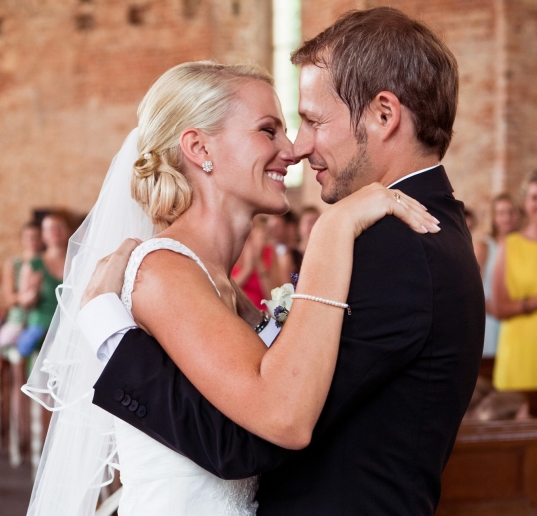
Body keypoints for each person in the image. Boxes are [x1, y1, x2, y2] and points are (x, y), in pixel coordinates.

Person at [79, 8, 483, 516]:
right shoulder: (418, 233)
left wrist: (110, 337)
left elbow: (249, 436)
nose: (297, 148)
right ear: (198, 148)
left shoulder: (394, 249)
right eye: (272, 129)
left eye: (312, 121)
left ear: (384, 115)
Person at [492, 172, 537, 412]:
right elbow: (499, 308)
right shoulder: (509, 245)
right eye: (534, 197)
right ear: (526, 203)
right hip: (519, 356)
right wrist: (532, 303)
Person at [15, 213, 68, 360]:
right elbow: (23, 302)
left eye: (59, 227)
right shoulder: (34, 264)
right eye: (50, 229)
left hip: (68, 324)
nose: (55, 231)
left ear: (67, 231)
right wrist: (33, 291)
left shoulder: (78, 261)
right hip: (42, 325)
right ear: (43, 235)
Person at [480, 194, 521, 362]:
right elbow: (469, 290)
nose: (507, 218)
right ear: (493, 217)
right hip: (491, 322)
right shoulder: (484, 246)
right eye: (501, 213)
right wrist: (499, 309)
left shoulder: (524, 246)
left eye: (511, 212)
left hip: (518, 320)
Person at [0, 221, 42, 348]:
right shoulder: (13, 263)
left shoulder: (46, 263)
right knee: (7, 339)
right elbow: (9, 298)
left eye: (36, 237)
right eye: (28, 237)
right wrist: (26, 297)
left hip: (40, 315)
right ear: (22, 239)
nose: (32, 241)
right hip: (19, 315)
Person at [231, 216, 282, 309]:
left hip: (263, 314)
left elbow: (274, 300)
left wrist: (259, 261)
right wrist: (247, 270)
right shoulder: (230, 249)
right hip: (235, 313)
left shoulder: (268, 251)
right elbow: (223, 293)